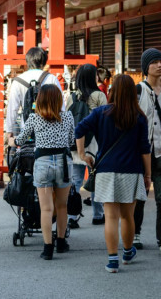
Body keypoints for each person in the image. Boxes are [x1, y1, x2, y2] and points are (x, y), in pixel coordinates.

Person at [75, 74, 152, 272]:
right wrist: (148, 176)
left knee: (110, 217)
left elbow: (79, 129)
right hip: (131, 172)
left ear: (112, 91)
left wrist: (83, 155)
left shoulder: (101, 113)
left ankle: (112, 261)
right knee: (128, 216)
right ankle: (127, 252)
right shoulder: (139, 117)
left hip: (105, 171)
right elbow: (145, 150)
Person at [13, 84, 75, 260]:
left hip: (42, 164)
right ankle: (61, 243)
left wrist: (12, 140)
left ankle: (48, 248)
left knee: (46, 208)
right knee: (62, 206)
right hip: (64, 163)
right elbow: (71, 140)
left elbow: (21, 139)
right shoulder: (68, 117)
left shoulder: (34, 118)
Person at [66, 63, 107, 228]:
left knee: (75, 181)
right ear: (92, 77)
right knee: (96, 178)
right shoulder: (99, 96)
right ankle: (98, 215)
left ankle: (72, 216)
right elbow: (105, 121)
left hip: (77, 145)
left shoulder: (72, 97)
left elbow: (68, 121)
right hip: (95, 145)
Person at [132, 48, 161, 251]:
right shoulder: (138, 90)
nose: (159, 65)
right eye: (154, 62)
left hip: (160, 152)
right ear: (145, 67)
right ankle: (135, 234)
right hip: (141, 152)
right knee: (140, 196)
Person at [5, 47, 63, 140]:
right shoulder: (51, 78)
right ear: (44, 62)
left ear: (27, 61)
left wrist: (9, 130)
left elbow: (12, 108)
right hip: (50, 130)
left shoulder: (18, 81)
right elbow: (60, 105)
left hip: (27, 130)